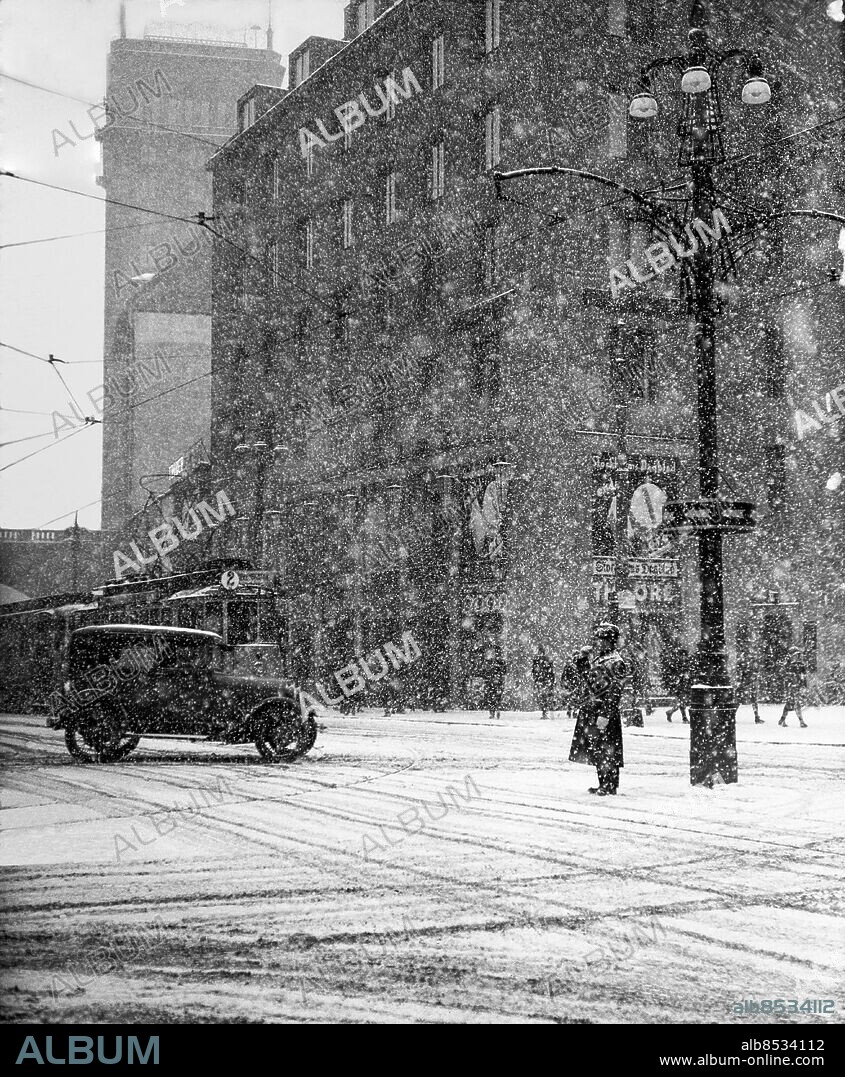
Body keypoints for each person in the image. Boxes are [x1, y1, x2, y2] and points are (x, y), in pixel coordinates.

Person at [568, 622, 628, 796]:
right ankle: (603, 783)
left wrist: (606, 713)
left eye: (601, 640)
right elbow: (588, 679)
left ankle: (610, 785)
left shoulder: (616, 662)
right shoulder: (600, 658)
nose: (598, 643)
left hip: (602, 710)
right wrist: (582, 660)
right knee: (598, 748)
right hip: (593, 709)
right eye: (597, 639)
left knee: (607, 749)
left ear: (610, 642)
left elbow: (615, 690)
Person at [779, 645, 808, 728]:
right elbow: (784, 676)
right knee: (796, 703)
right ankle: (801, 722)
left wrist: (804, 685)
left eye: (798, 655)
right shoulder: (787, 665)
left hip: (797, 686)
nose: (797, 656)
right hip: (790, 686)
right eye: (795, 655)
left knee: (790, 703)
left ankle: (782, 719)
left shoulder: (801, 665)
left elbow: (804, 676)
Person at [735, 639, 763, 724]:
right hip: (747, 682)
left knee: (748, 700)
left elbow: (754, 670)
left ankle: (756, 717)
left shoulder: (747, 660)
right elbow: (742, 672)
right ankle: (756, 717)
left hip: (748, 682)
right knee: (741, 700)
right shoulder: (745, 661)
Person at [665, 645, 693, 723]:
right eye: (682, 656)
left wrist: (688, 676)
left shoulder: (688, 663)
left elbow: (691, 673)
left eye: (685, 656)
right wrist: (680, 676)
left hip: (687, 685)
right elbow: (671, 674)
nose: (684, 658)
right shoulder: (676, 664)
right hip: (679, 686)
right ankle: (684, 717)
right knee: (682, 702)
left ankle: (669, 712)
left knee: (681, 704)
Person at [481, 642, 506, 720]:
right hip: (494, 681)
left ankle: (494, 711)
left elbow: (504, 672)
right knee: (493, 697)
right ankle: (494, 711)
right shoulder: (493, 661)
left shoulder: (498, 662)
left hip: (494, 681)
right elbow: (485, 671)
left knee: (493, 697)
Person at [532, 644, 556, 719]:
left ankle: (545, 712)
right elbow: (551, 671)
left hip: (542, 681)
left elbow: (534, 671)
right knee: (545, 697)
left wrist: (536, 678)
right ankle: (545, 712)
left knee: (543, 697)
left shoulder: (537, 660)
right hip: (545, 680)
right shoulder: (545, 660)